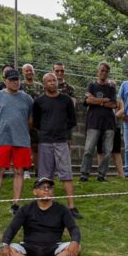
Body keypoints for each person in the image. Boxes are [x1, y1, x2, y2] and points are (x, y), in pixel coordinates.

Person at [0, 177, 82, 256]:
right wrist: (5, 244)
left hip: (54, 249)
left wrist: (75, 242)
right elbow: (12, 228)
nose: (46, 189)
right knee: (4, 251)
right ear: (35, 191)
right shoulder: (25, 209)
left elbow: (73, 228)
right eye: (42, 187)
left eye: (49, 187)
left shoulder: (62, 209)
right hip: (29, 248)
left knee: (78, 248)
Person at [33, 72, 82, 218]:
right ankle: (44, 207)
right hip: (45, 142)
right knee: (45, 177)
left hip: (61, 141)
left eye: (54, 80)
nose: (52, 83)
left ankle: (72, 207)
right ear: (44, 84)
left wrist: (60, 129)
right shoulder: (39, 101)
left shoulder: (66, 100)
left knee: (66, 174)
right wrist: (47, 129)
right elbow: (36, 122)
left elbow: (72, 120)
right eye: (49, 81)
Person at [0, 69, 34, 219]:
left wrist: (19, 128)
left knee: (19, 171)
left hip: (22, 140)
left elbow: (30, 121)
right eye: (12, 79)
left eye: (17, 79)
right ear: (5, 80)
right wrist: (5, 127)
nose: (15, 82)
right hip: (2, 139)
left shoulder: (27, 99)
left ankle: (15, 204)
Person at [79, 62, 117, 182]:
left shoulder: (111, 87)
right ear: (97, 71)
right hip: (93, 122)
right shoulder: (91, 85)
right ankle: (84, 174)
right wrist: (103, 100)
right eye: (102, 70)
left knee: (107, 151)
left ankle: (102, 175)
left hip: (109, 123)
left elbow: (114, 104)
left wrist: (95, 100)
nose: (103, 73)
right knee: (89, 149)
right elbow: (87, 101)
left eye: (106, 71)